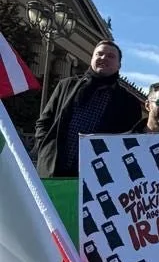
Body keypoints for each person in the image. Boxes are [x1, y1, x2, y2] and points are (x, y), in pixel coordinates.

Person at [34, 39, 144, 178]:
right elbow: (44, 121)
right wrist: (44, 148)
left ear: (119, 65)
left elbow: (129, 140)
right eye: (99, 54)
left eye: (111, 56)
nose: (103, 58)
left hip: (95, 178)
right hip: (53, 170)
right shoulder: (67, 85)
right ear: (92, 58)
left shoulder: (129, 102)